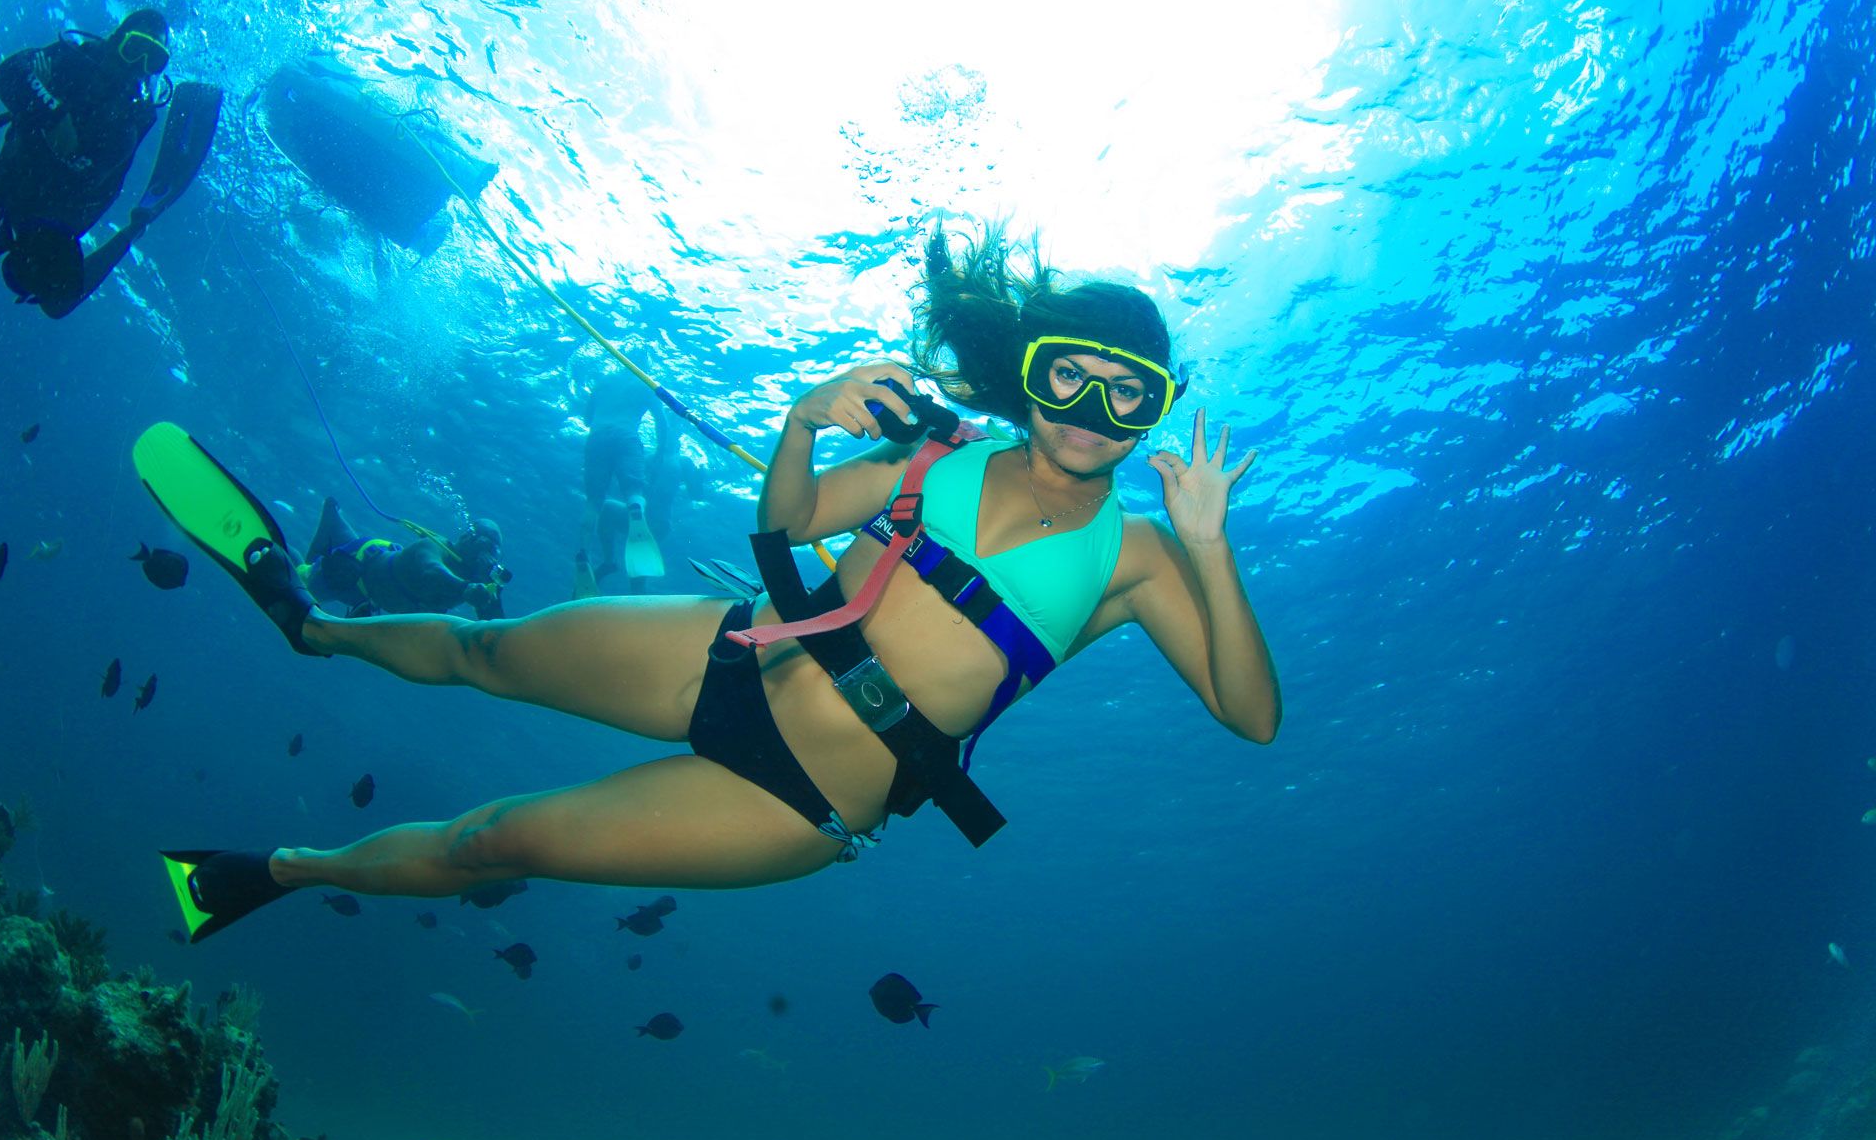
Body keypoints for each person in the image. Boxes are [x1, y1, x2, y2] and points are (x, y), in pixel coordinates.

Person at [145, 224, 1281, 943]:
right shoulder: (937, 452)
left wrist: (1209, 545)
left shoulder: (1139, 557)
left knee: (497, 840)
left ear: (1158, 406)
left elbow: (1254, 717)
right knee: (485, 649)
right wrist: (804, 417)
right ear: (1024, 378)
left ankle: (281, 872)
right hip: (731, 648)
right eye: (1065, 374)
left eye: (1126, 393)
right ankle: (315, 625)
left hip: (799, 803)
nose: (1090, 410)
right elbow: (784, 522)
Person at [0, 10, 218, 319]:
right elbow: (9, 71)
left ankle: (125, 233)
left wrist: (41, 103)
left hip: (56, 214)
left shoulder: (130, 122)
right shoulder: (71, 61)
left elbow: (91, 176)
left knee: (54, 298)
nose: (139, 66)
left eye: (153, 60)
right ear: (114, 41)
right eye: (134, 49)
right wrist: (54, 117)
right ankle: (3, 231)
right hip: (13, 177)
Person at [301, 498, 509, 620]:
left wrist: (493, 594)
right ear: (466, 538)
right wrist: (465, 588)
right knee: (304, 584)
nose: (486, 554)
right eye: (484, 544)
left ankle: (335, 524)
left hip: (369, 597)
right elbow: (431, 570)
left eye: (493, 549)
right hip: (357, 566)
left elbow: (493, 627)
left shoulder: (480, 580)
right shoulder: (437, 545)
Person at [574, 396, 694, 597]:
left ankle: (638, 602)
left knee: (637, 575)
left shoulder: (684, 462)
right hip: (638, 518)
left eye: (676, 428)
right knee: (608, 508)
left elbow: (695, 494)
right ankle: (609, 561)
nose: (672, 432)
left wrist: (697, 475)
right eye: (671, 427)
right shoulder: (646, 458)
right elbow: (630, 486)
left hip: (659, 523)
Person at [573, 352, 666, 591]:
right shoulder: (646, 383)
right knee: (634, 487)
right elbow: (661, 422)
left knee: (594, 500)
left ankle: (584, 549)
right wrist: (659, 453)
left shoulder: (604, 381)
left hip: (597, 438)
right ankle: (636, 510)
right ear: (644, 364)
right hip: (626, 436)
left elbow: (586, 419)